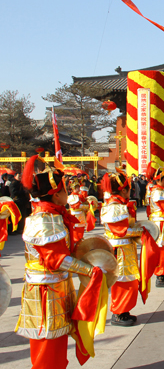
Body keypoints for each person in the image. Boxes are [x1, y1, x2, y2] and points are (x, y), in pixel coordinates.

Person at [17, 156, 107, 368]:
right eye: (65, 189)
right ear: (56, 195)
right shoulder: (43, 219)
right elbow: (56, 259)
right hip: (45, 289)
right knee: (48, 340)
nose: (68, 193)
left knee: (57, 339)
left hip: (56, 285)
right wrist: (89, 270)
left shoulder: (55, 216)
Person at [101, 171, 145, 327]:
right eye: (128, 189)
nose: (130, 192)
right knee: (122, 281)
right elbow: (121, 231)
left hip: (125, 249)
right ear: (122, 190)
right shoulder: (114, 207)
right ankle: (118, 313)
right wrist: (140, 231)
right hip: (119, 250)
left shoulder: (118, 205)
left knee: (129, 280)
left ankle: (124, 310)